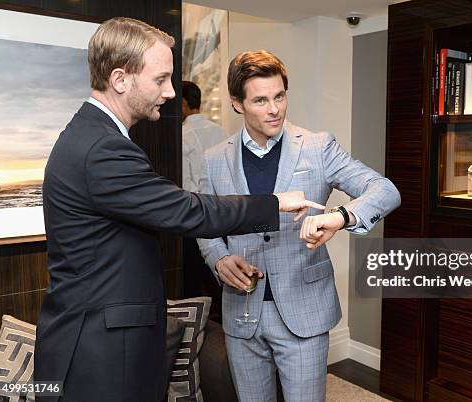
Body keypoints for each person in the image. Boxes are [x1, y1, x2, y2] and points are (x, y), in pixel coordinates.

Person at [33, 19, 322, 402]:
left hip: (97, 342)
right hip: (99, 354)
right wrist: (276, 202)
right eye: (160, 79)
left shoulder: (92, 135)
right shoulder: (101, 148)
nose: (170, 92)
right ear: (120, 79)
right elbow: (187, 210)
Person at [197, 50, 401, 402]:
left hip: (303, 311)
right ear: (237, 104)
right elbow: (205, 222)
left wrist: (339, 217)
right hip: (241, 311)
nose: (274, 108)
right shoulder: (214, 159)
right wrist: (218, 258)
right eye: (260, 100)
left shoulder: (319, 147)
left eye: (279, 96)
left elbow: (385, 190)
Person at [181, 81, 226, 315]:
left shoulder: (182, 135)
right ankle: (220, 317)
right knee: (219, 270)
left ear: (183, 104)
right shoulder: (220, 130)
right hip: (223, 212)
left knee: (192, 276)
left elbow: (186, 185)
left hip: (196, 212)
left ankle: (196, 324)